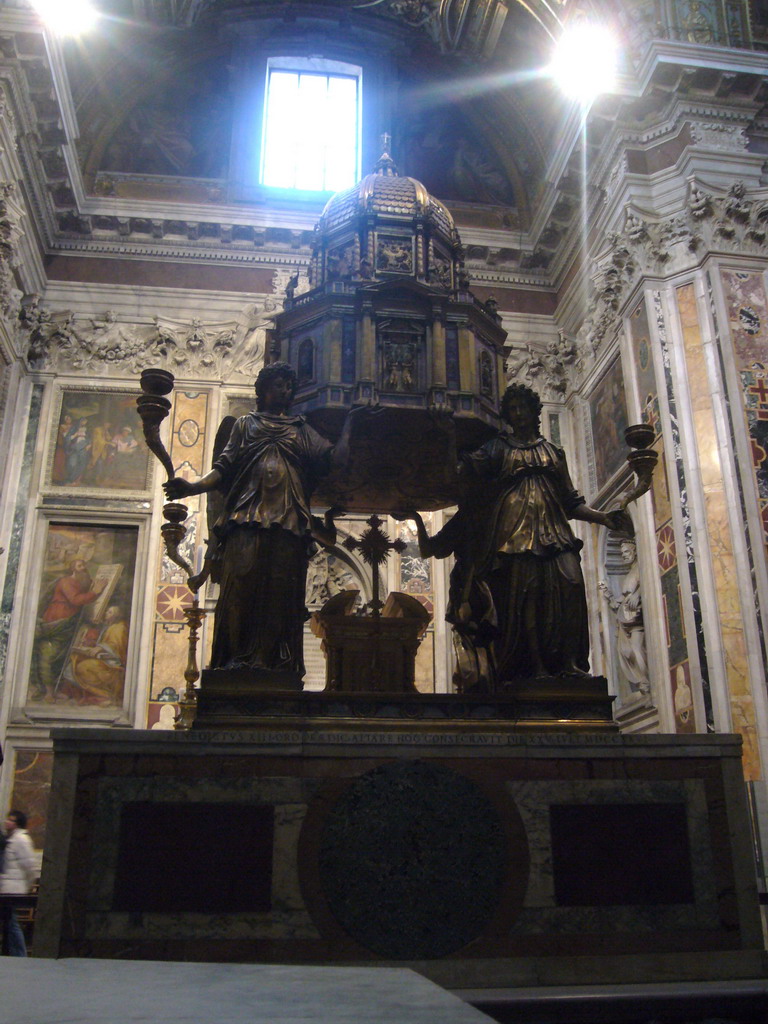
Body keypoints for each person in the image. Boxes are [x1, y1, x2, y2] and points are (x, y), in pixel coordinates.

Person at [163, 362, 362, 682]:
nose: (286, 390)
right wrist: (191, 487)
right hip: (246, 518)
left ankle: (274, 665)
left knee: (281, 594)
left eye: (289, 386)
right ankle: (234, 660)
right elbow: (223, 470)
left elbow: (333, 459)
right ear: (263, 389)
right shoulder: (246, 425)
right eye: (279, 384)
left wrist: (352, 421)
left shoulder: (301, 429)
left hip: (288, 524)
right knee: (240, 588)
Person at [460, 383, 629, 683]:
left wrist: (604, 518)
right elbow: (465, 470)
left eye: (523, 407)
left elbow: (571, 502)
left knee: (572, 585)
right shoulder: (497, 448)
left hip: (554, 532)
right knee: (527, 596)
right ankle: (534, 667)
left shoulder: (553, 452)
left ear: (534, 411)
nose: (519, 413)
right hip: (514, 535)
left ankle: (569, 664)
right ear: (507, 415)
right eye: (512, 409)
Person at [30, 560, 106, 701]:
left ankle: (52, 691)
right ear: (73, 569)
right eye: (79, 566)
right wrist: (95, 592)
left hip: (66, 625)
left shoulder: (80, 583)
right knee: (48, 654)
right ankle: (48, 691)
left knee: (58, 655)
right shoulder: (66, 581)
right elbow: (75, 600)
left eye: (84, 565)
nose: (83, 568)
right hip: (56, 622)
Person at [599, 539, 650, 696]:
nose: (624, 556)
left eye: (627, 552)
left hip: (636, 618)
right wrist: (609, 596)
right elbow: (622, 598)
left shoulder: (641, 568)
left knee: (635, 648)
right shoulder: (629, 574)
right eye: (622, 554)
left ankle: (645, 682)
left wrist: (637, 594)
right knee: (625, 651)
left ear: (635, 552)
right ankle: (641, 683)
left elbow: (647, 582)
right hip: (625, 618)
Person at [1, 810, 36, 956]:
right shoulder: (12, 838)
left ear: (18, 824)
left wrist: (29, 885)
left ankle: (20, 954)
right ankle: (13, 952)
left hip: (14, 888)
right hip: (8, 886)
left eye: (11, 820)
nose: (7, 822)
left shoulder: (21, 839)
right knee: (9, 921)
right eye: (8, 819)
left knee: (12, 922)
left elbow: (28, 865)